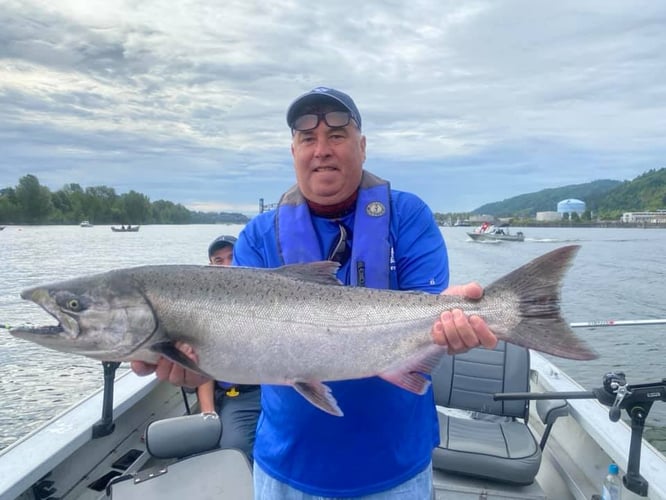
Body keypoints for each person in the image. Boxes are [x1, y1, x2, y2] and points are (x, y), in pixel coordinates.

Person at [132, 87, 496, 499]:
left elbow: (431, 315)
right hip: (287, 469)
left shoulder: (408, 216)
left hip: (397, 467)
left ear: (362, 147)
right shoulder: (257, 237)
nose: (322, 149)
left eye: (337, 136)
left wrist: (455, 323)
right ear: (293, 151)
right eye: (308, 138)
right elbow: (244, 347)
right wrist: (201, 366)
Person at [196, 234, 261, 462]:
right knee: (235, 448)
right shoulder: (206, 312)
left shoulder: (266, 301)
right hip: (239, 396)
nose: (227, 265)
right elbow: (203, 369)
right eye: (218, 260)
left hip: (279, 390)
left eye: (232, 257)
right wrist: (208, 413)